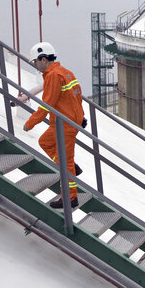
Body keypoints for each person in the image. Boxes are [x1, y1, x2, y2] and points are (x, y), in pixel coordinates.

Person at [22, 42, 84, 208]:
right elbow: (77, 96)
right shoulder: (65, 72)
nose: (35, 65)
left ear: (43, 59)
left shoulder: (53, 76)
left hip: (65, 124)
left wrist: (30, 123)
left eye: (35, 62)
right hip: (65, 121)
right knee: (45, 142)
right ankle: (71, 168)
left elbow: (47, 104)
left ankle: (70, 198)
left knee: (65, 161)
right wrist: (81, 117)